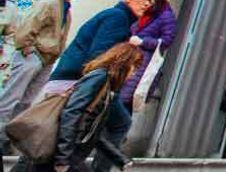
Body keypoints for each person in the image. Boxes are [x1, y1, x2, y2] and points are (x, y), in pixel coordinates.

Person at [11, 42, 142, 172]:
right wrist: (62, 158)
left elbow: (93, 133)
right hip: (61, 153)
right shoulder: (99, 78)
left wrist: (119, 159)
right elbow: (71, 112)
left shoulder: (106, 87)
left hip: (69, 153)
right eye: (134, 67)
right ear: (124, 63)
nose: (133, 74)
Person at [0, 0, 84, 145]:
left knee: (26, 101)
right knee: (12, 97)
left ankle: (7, 137)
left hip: (47, 59)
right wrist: (27, 49)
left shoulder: (66, 9)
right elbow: (28, 26)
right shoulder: (49, 3)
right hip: (33, 55)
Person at [118, 0, 177, 110]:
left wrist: (143, 42)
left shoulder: (166, 16)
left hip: (142, 63)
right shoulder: (140, 11)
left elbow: (166, 41)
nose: (146, 3)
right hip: (126, 57)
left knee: (124, 101)